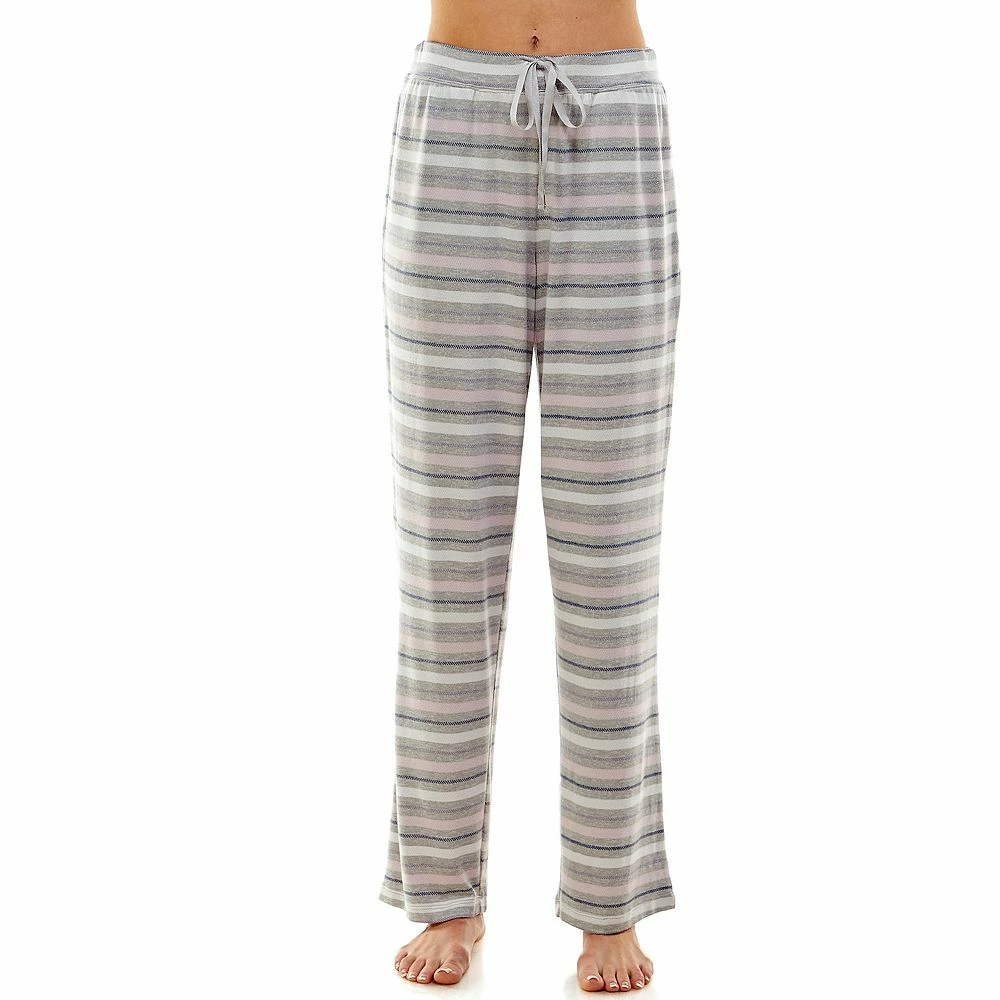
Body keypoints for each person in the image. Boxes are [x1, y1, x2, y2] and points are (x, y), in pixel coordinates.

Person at [378, 0, 681, 991]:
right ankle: (445, 889)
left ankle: (609, 898)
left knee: (611, 558)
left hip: (613, 120)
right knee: (445, 553)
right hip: (455, 123)